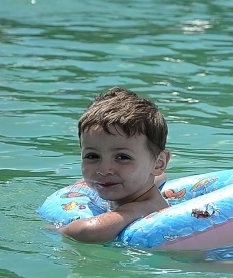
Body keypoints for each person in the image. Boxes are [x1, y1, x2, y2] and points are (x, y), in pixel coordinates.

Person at [58, 86, 171, 243]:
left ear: (158, 164)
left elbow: (88, 232)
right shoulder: (140, 187)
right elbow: (160, 177)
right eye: (92, 156)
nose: (104, 170)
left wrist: (56, 230)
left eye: (122, 157)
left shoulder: (143, 207)